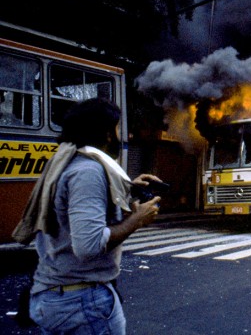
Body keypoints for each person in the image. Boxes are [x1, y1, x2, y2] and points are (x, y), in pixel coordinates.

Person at [13, 98, 163, 334]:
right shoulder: (88, 170)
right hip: (82, 302)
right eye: (117, 128)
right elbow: (89, 245)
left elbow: (74, 206)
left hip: (60, 297)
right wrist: (137, 220)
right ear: (106, 133)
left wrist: (130, 188)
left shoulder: (68, 161)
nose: (122, 135)